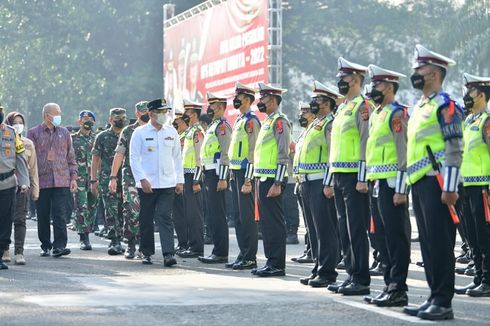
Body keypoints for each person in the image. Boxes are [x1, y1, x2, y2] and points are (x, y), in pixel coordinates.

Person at [402, 45, 463, 321]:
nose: (415, 75)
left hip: (438, 182)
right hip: (420, 182)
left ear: (435, 74)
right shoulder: (421, 106)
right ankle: (433, 296)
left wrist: (450, 187)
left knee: (440, 243)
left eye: (420, 71)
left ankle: (443, 301)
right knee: (427, 244)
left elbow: (454, 148)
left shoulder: (446, 105)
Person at [363, 65, 411, 307]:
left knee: (396, 237)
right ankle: (388, 285)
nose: (373, 89)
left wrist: (402, 189)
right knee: (381, 236)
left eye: (377, 85)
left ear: (390, 87)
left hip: (394, 184)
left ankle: (398, 288)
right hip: (378, 182)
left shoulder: (397, 114)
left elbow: (404, 152)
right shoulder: (377, 113)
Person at [327, 58, 374, 295]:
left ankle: (361, 278)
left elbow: (366, 141)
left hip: (355, 175)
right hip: (339, 174)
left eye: (343, 79)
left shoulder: (363, 106)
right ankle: (351, 274)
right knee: (343, 227)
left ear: (355, 80)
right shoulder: (343, 108)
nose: (340, 82)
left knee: (356, 227)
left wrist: (363, 177)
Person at [296, 81, 343, 288]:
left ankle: (327, 271)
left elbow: (333, 154)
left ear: (328, 103)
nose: (313, 103)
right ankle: (318, 267)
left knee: (325, 229)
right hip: (307, 182)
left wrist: (329, 183)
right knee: (313, 229)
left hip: (321, 182)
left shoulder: (330, 123)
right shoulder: (315, 123)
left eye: (318, 100)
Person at [130, 98, 184, 266]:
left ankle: (168, 254)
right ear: (151, 113)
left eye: (166, 112)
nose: (164, 115)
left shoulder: (171, 132)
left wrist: (179, 180)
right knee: (146, 219)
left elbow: (177, 158)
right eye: (161, 112)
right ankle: (146, 252)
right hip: (148, 184)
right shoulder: (140, 133)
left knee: (164, 217)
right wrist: (141, 179)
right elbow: (134, 158)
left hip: (167, 183)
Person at [454, 73, 490, 297]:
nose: (466, 95)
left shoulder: (487, 121)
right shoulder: (469, 121)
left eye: (471, 92)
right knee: (472, 235)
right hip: (467, 185)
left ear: (482, 95)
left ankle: (488, 279)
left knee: (485, 235)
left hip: (483, 186)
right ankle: (478, 276)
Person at [27, 103, 77, 258]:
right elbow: (29, 158)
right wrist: (29, 181)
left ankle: (59, 246)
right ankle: (45, 245)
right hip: (42, 181)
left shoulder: (64, 133)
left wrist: (73, 177)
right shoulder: (34, 133)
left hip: (61, 180)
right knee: (42, 215)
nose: (59, 116)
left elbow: (71, 157)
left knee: (60, 214)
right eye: (56, 113)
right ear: (47, 115)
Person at [252, 83, 291, 277]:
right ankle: (270, 261)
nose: (260, 102)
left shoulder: (279, 122)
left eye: (263, 98)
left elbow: (283, 155)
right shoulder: (267, 121)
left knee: (274, 223)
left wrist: (278, 183)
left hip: (272, 180)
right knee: (266, 224)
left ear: (273, 100)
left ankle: (277, 264)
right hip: (263, 178)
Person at [226, 82, 260, 269]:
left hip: (246, 174)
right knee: (238, 217)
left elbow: (253, 152)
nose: (235, 99)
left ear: (247, 99)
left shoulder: (251, 121)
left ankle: (250, 257)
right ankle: (242, 253)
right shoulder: (239, 120)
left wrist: (248, 180)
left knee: (247, 218)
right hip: (236, 172)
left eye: (238, 96)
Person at [109, 101, 149, 259]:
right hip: (130, 175)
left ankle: (143, 246)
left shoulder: (155, 129)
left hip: (149, 175)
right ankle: (131, 243)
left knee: (146, 212)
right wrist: (113, 177)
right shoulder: (128, 131)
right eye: (142, 111)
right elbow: (119, 154)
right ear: (137, 113)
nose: (145, 113)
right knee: (131, 210)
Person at [198, 92, 232, 264]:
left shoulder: (223, 126)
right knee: (212, 214)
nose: (209, 108)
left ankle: (221, 253)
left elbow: (225, 153)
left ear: (219, 107)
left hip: (217, 174)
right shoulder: (214, 125)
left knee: (218, 215)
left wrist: (223, 178)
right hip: (209, 173)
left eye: (212, 105)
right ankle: (217, 251)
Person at [2, 112, 39, 265]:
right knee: (3, 220)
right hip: (6, 185)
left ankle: (17, 251)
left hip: (15, 185)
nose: (18, 125)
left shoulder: (17, 138)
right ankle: (4, 250)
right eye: (15, 121)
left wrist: (28, 184)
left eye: (20, 122)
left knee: (16, 219)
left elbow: (26, 164)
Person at [91, 108, 127, 255]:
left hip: (127, 177)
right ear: (110, 120)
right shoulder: (102, 136)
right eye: (117, 117)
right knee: (111, 209)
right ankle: (114, 240)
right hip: (107, 178)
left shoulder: (130, 134)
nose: (121, 120)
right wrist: (93, 180)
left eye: (123, 117)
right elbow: (95, 158)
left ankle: (129, 239)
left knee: (126, 210)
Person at [0, 107, 30, 270]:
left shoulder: (12, 134)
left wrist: (24, 180)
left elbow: (20, 158)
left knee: (5, 221)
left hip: (8, 183)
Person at [176, 99, 205, 258]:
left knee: (195, 214)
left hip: (193, 176)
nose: (185, 115)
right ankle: (192, 246)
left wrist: (196, 180)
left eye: (187, 113)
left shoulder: (197, 132)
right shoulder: (189, 132)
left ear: (193, 114)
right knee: (189, 213)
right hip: (186, 175)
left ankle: (197, 248)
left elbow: (200, 158)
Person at [291, 102, 315, 264]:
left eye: (305, 111)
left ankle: (314, 251)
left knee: (315, 221)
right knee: (308, 221)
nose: (302, 115)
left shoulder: (317, 129)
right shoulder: (305, 133)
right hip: (302, 180)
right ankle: (310, 249)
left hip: (316, 180)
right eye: (301, 112)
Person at [71, 110, 97, 251]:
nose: (87, 121)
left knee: (92, 206)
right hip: (79, 177)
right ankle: (84, 237)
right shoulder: (72, 138)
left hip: (94, 178)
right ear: (79, 121)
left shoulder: (97, 138)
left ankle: (88, 229)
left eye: (90, 119)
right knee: (81, 206)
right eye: (84, 118)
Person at [172, 108, 189, 254]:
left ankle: (185, 242)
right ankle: (182, 241)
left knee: (183, 212)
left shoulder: (187, 135)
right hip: (175, 178)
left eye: (177, 120)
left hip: (184, 177)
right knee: (177, 213)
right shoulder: (178, 136)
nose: (175, 122)